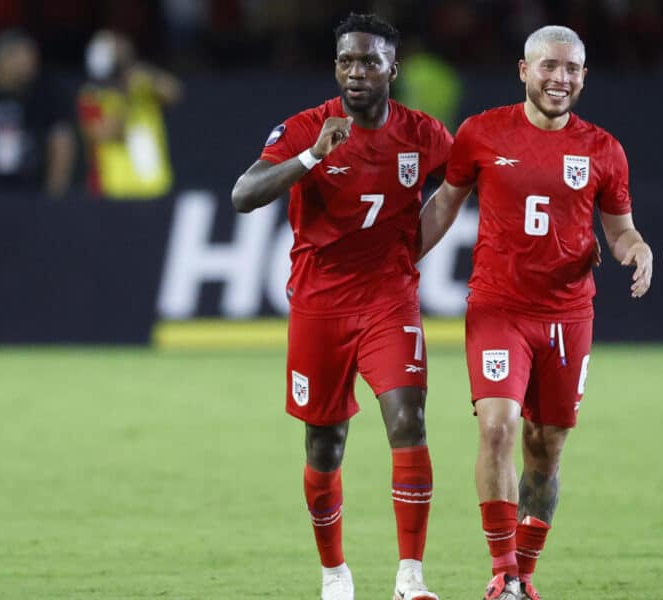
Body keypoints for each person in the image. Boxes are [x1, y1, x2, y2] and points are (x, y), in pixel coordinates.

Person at [418, 25, 654, 600]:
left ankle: (525, 574)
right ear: (524, 71)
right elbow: (445, 202)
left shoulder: (603, 149)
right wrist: (399, 259)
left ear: (583, 77)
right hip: (499, 306)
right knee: (496, 429)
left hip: (569, 316)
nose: (560, 78)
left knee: (545, 449)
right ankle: (502, 573)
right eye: (549, 66)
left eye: (571, 69)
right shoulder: (481, 132)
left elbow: (619, 231)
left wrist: (637, 250)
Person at [230, 13, 452, 600]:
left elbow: (465, 181)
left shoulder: (423, 133)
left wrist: (418, 244)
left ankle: (411, 578)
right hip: (319, 305)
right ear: (336, 67)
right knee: (324, 445)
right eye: (347, 61)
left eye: (370, 62)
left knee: (410, 421)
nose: (357, 72)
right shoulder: (308, 128)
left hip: (389, 299)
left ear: (392, 71)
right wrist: (308, 160)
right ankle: (335, 575)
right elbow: (242, 195)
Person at [0, 29, 75, 201]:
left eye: (32, 58)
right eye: (21, 57)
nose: (30, 64)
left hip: (29, 196)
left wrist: (54, 197)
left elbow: (61, 142)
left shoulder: (45, 96)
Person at [76, 30, 181, 200]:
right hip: (115, 189)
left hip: (154, 186)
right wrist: (124, 97)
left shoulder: (141, 87)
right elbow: (109, 134)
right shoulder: (92, 97)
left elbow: (174, 93)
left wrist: (147, 74)